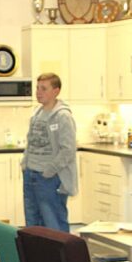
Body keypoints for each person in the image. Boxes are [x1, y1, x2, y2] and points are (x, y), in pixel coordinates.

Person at [20, 73, 77, 232]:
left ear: (56, 91)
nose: (38, 92)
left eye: (43, 88)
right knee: (32, 223)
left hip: (50, 178)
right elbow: (30, 142)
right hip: (31, 174)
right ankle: (35, 257)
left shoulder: (63, 116)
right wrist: (25, 165)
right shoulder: (36, 114)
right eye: (37, 88)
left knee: (54, 223)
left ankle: (59, 257)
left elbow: (68, 150)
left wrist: (50, 171)